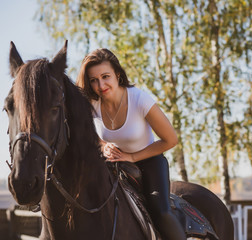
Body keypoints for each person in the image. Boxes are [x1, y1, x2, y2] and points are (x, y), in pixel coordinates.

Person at [76, 48, 186, 240]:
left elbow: (170, 140)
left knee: (161, 212)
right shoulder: (91, 104)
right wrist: (102, 145)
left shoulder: (139, 99)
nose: (101, 85)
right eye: (94, 80)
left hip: (148, 162)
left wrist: (132, 157)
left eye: (105, 76)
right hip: (112, 164)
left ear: (118, 75)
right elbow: (85, 134)